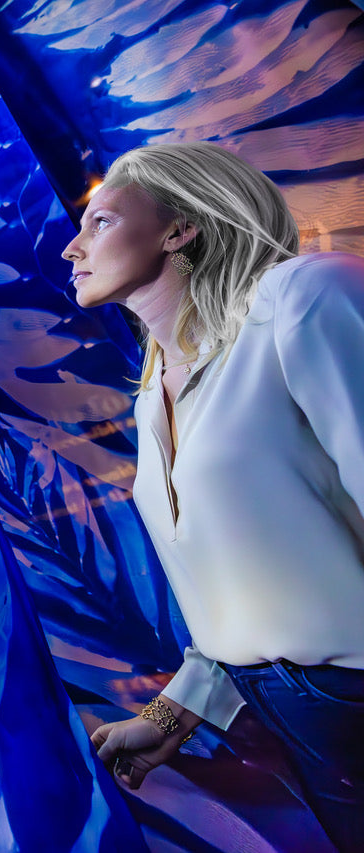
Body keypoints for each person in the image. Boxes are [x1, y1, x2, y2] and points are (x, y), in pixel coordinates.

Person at [60, 141, 364, 851]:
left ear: (179, 227)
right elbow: (239, 581)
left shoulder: (302, 297)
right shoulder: (152, 389)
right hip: (297, 720)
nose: (73, 248)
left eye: (100, 221)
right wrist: (175, 713)